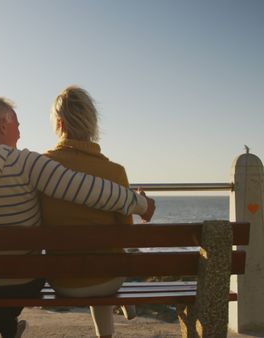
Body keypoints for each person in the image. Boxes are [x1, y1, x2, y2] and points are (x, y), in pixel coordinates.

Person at [0, 96, 156, 338]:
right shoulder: (26, 163)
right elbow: (86, 189)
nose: (19, 134)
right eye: (17, 125)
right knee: (15, 271)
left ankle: (5, 325)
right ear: (3, 125)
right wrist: (140, 203)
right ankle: (7, 324)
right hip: (22, 283)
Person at [40, 86, 156, 338]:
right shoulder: (115, 172)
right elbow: (126, 234)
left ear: (59, 124)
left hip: (63, 281)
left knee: (89, 263)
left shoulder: (43, 168)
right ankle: (110, 327)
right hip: (108, 279)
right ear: (92, 123)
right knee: (105, 265)